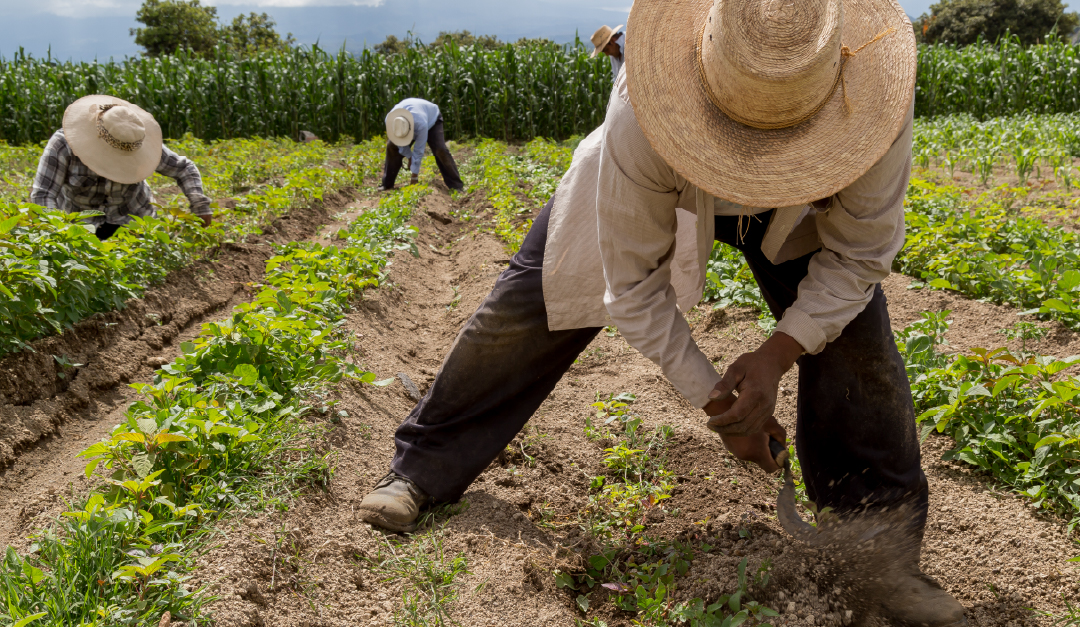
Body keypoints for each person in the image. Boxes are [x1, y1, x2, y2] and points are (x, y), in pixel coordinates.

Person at [359, 0, 966, 622]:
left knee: (856, 347)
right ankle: (422, 471)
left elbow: (860, 255)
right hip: (667, 182)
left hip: (804, 211)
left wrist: (777, 353)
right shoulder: (643, 115)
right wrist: (723, 405)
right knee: (528, 309)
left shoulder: (873, 93)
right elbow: (630, 286)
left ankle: (875, 558)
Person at [31, 95, 212, 241]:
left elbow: (184, 168)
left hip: (135, 222)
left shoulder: (135, 140)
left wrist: (200, 206)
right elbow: (43, 195)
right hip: (82, 228)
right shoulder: (64, 145)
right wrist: (57, 235)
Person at [380, 98, 464, 192]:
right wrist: (409, 156)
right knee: (392, 147)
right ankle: (387, 184)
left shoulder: (421, 124)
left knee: (440, 150)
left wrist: (414, 176)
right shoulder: (391, 120)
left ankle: (456, 186)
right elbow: (399, 141)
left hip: (432, 120)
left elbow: (419, 150)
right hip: (413, 119)